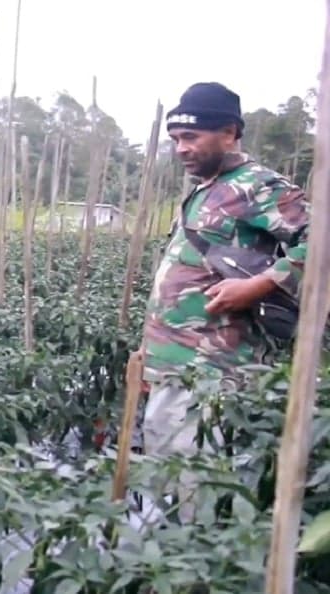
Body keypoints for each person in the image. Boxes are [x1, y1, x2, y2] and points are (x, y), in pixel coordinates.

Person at [137, 82, 310, 522]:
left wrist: (262, 284)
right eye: (176, 139)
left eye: (191, 137)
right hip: (173, 368)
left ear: (229, 133)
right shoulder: (207, 189)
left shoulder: (256, 185)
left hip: (215, 375)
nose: (181, 149)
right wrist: (150, 359)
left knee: (203, 486)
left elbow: (321, 239)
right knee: (168, 479)